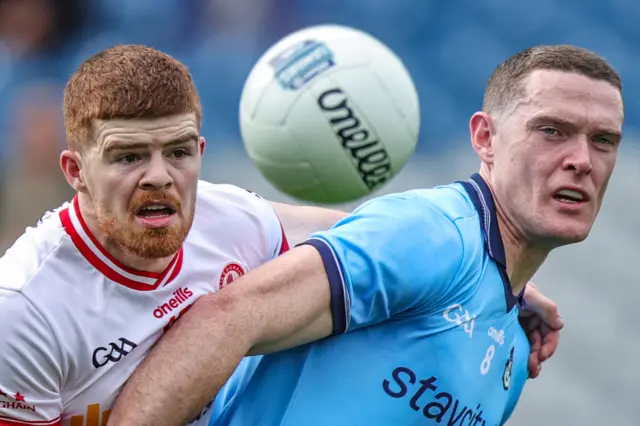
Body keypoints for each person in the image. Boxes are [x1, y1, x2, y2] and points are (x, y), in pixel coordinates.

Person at [0, 44, 559, 426]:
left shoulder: (232, 220)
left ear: (199, 154)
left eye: (176, 152)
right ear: (75, 172)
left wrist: (504, 284)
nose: (158, 176)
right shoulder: (24, 311)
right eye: (127, 156)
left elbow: (374, 241)